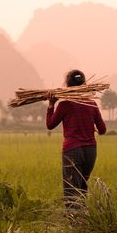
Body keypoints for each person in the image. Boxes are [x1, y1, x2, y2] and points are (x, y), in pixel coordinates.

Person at [46, 69, 106, 207]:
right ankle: (83, 223)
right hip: (90, 151)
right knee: (82, 188)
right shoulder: (91, 104)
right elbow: (102, 130)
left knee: (71, 191)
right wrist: (92, 128)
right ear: (84, 84)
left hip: (72, 151)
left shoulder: (64, 105)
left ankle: (75, 224)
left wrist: (50, 105)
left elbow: (50, 125)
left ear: (67, 84)